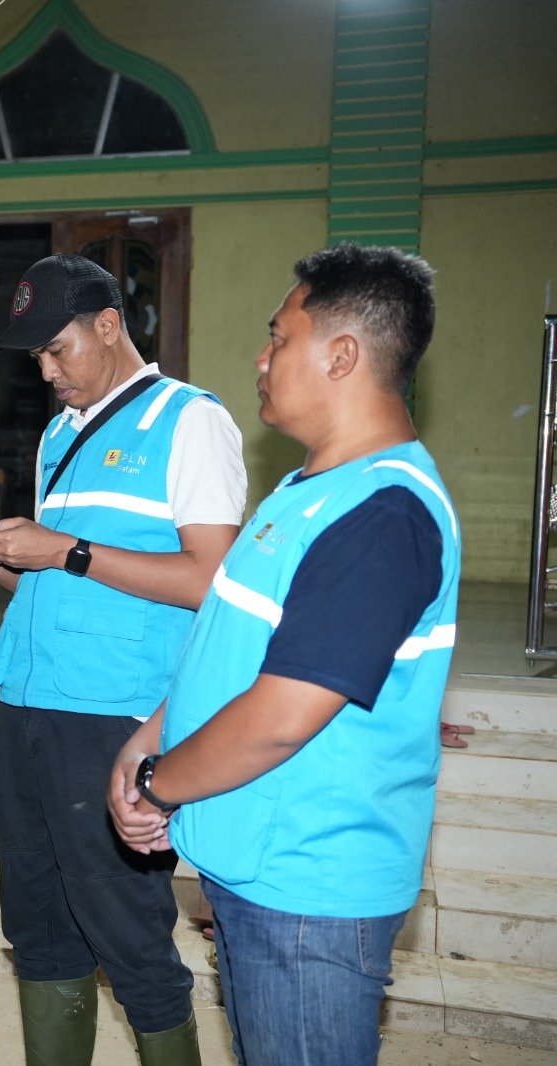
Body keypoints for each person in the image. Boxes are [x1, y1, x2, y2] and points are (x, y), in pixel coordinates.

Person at [108, 244, 460, 1065]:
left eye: (278, 338)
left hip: (310, 889)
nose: (260, 360)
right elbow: (232, 649)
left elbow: (282, 714)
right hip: (258, 864)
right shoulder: (307, 492)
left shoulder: (384, 513)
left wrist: (160, 783)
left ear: (342, 355)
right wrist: (151, 736)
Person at [0, 254, 246, 1064]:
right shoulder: (62, 432)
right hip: (29, 705)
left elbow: (212, 582)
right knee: (38, 926)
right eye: (37, 358)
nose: (47, 372)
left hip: (116, 717)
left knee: (128, 933)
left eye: (58, 349)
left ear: (109, 325)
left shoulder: (189, 421)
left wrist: (64, 550)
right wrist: (3, 560)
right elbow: (72, 583)